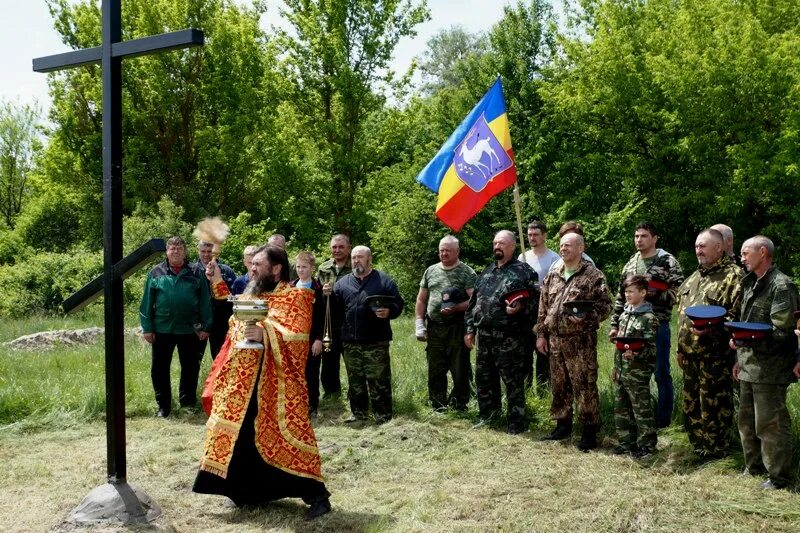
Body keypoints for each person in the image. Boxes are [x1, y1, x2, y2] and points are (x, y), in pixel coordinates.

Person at [193, 245, 331, 519]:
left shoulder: (297, 297)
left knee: (289, 435)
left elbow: (297, 337)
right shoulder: (250, 295)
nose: (252, 268)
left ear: (276, 268)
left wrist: (265, 332)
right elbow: (233, 323)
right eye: (251, 263)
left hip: (277, 386)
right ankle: (247, 492)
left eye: (258, 264)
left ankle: (317, 496)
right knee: (242, 437)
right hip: (243, 384)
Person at [732, 236, 799, 489]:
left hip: (771, 368)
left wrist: (748, 339)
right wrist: (739, 353)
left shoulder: (782, 286)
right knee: (746, 422)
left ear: (763, 252)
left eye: (746, 253)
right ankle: (754, 468)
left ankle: (779, 477)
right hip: (749, 365)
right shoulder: (749, 282)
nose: (742, 257)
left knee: (770, 424)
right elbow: (744, 322)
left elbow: (784, 332)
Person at [536, 232, 612, 451]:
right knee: (559, 385)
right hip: (555, 341)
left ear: (581, 248)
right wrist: (541, 334)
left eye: (568, 245)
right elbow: (544, 306)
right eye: (560, 245)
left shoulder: (593, 275)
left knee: (584, 386)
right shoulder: (554, 274)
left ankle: (589, 431)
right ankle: (562, 425)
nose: (563, 249)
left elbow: (606, 305)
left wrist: (587, 317)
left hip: (580, 342)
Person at [675, 228, 743, 460]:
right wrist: (680, 348)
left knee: (715, 406)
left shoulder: (734, 276)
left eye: (703, 246)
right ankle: (699, 447)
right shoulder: (693, 278)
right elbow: (681, 316)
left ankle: (717, 451)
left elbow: (738, 316)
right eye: (696, 246)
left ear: (720, 247)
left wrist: (712, 328)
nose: (698, 250)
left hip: (716, 356)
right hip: (690, 356)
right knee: (692, 405)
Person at [609, 222, 684, 428]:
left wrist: (657, 293)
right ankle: (637, 418)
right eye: (636, 236)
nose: (639, 240)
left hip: (656, 326)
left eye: (643, 236)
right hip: (631, 327)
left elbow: (681, 293)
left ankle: (663, 420)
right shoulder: (631, 264)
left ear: (655, 238)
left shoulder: (668, 261)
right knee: (631, 374)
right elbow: (620, 297)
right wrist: (615, 325)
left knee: (660, 372)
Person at [464, 230, 538, 434]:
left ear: (513, 247)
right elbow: (474, 303)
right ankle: (488, 416)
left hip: (510, 337)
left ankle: (516, 422)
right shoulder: (487, 271)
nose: (498, 247)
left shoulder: (524, 272)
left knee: (513, 381)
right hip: (484, 337)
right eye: (495, 243)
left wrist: (520, 308)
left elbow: (536, 303)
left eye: (502, 244)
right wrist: (470, 329)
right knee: (484, 379)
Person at [139, 236, 211, 417]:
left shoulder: (196, 272)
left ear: (185, 252)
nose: (176, 251)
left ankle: (187, 404)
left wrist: (206, 326)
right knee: (159, 369)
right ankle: (163, 406)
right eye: (172, 248)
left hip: (189, 329)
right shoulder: (156, 273)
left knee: (190, 367)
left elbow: (204, 301)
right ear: (166, 252)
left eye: (179, 248)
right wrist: (147, 327)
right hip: (162, 329)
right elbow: (147, 302)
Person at [333, 245, 404, 423]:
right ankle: (359, 414)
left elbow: (399, 305)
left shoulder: (383, 280)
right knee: (355, 381)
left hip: (376, 342)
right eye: (354, 257)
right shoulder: (342, 284)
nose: (356, 260)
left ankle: (383, 416)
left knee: (379, 380)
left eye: (360, 257)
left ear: (369, 259)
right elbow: (334, 311)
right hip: (350, 342)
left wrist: (389, 312)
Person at [415, 235, 476, 411]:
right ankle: (437, 404)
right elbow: (421, 299)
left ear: (457, 251)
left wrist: (457, 308)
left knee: (459, 367)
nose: (444, 253)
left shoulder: (467, 272)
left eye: (448, 250)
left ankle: (459, 404)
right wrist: (419, 323)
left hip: (457, 327)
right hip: (434, 326)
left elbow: (475, 300)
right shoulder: (430, 271)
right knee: (435, 368)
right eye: (441, 250)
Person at [610, 275, 658, 457]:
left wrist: (637, 354)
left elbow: (651, 348)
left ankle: (647, 445)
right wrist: (616, 366)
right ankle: (626, 443)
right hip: (622, 370)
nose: (627, 295)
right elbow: (621, 345)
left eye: (631, 291)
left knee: (641, 409)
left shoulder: (649, 318)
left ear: (643, 293)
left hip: (638, 371)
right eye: (625, 291)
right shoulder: (624, 315)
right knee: (621, 408)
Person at [518, 220, 560, 390]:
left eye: (535, 234)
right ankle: (526, 391)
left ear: (544, 236)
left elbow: (556, 285)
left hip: (545, 311)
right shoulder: (523, 256)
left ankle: (544, 391)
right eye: (529, 235)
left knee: (544, 352)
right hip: (525, 312)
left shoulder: (554, 258)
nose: (532, 238)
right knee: (525, 353)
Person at [318, 234, 353, 399]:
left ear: (348, 248)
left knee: (351, 360)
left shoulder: (355, 266)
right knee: (329, 358)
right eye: (334, 247)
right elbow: (317, 294)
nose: (337, 250)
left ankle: (355, 393)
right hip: (329, 321)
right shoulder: (324, 268)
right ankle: (331, 393)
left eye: (341, 247)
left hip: (349, 321)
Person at [291, 251, 325, 418]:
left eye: (304, 267)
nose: (301, 270)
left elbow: (321, 318)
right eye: (298, 266)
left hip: (311, 339)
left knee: (311, 373)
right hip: (293, 340)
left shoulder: (318, 289)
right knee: (294, 374)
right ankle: (296, 405)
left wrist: (318, 339)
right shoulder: (290, 287)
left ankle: (312, 407)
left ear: (312, 268)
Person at [197, 240, 237, 360]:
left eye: (209, 252)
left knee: (220, 358)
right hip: (199, 321)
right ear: (198, 251)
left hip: (221, 321)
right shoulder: (191, 270)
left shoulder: (226, 271)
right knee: (194, 360)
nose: (206, 254)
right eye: (203, 251)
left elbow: (233, 296)